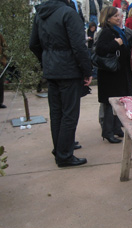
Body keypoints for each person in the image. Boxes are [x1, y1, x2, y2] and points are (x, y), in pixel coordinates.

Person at [29, 0, 92, 167]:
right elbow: (79, 46)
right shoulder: (68, 13)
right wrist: (87, 71)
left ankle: (61, 148)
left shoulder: (41, 14)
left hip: (52, 70)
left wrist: (47, 60)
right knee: (69, 114)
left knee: (57, 113)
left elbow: (33, 44)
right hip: (68, 70)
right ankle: (64, 155)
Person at [96, 6, 132, 142]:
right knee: (110, 104)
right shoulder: (107, 32)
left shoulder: (117, 31)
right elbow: (100, 50)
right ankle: (107, 132)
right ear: (108, 19)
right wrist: (116, 43)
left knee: (119, 102)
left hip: (119, 74)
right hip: (111, 75)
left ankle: (117, 128)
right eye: (115, 17)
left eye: (119, 16)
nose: (119, 18)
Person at [0, 33, 7, 109]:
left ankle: (0, 102)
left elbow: (5, 47)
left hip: (0, 62)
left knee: (0, 83)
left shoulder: (0, 35)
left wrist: (3, 59)